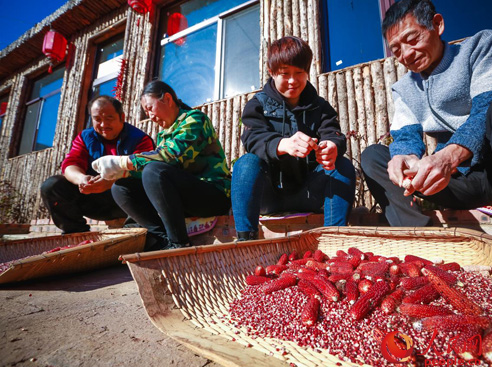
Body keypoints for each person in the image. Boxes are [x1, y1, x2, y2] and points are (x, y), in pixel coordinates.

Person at [360, 0, 492, 253]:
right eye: (396, 49)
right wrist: (402, 158)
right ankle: (420, 238)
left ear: (437, 25)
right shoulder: (404, 88)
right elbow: (405, 136)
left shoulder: (482, 47)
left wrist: (448, 157)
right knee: (374, 156)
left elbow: (487, 108)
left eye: (413, 39)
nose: (406, 54)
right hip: (459, 182)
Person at [231, 36, 356, 241]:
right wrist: (281, 144)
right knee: (246, 163)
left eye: (299, 72)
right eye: (284, 73)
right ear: (271, 73)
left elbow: (333, 133)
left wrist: (332, 145)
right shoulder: (257, 105)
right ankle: (246, 239)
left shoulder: (320, 106)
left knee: (341, 165)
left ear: (307, 72)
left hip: (309, 194)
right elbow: (252, 138)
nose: (292, 80)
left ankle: (335, 238)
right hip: (269, 195)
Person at [92, 80, 231, 250]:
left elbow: (171, 156)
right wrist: (118, 174)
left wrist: (122, 162)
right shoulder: (163, 135)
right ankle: (161, 239)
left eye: (150, 108)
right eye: (146, 112)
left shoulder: (194, 119)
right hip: (185, 199)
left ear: (167, 99)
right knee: (121, 187)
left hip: (213, 194)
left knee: (153, 170)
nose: (150, 116)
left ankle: (178, 242)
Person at [40, 95, 155, 233]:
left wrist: (109, 182)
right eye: (97, 119)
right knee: (52, 186)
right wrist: (82, 180)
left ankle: (134, 232)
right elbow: (71, 164)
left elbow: (143, 172)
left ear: (122, 117)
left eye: (109, 118)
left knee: (138, 180)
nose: (103, 125)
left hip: (129, 203)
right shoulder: (85, 137)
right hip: (94, 201)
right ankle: (76, 234)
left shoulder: (140, 139)